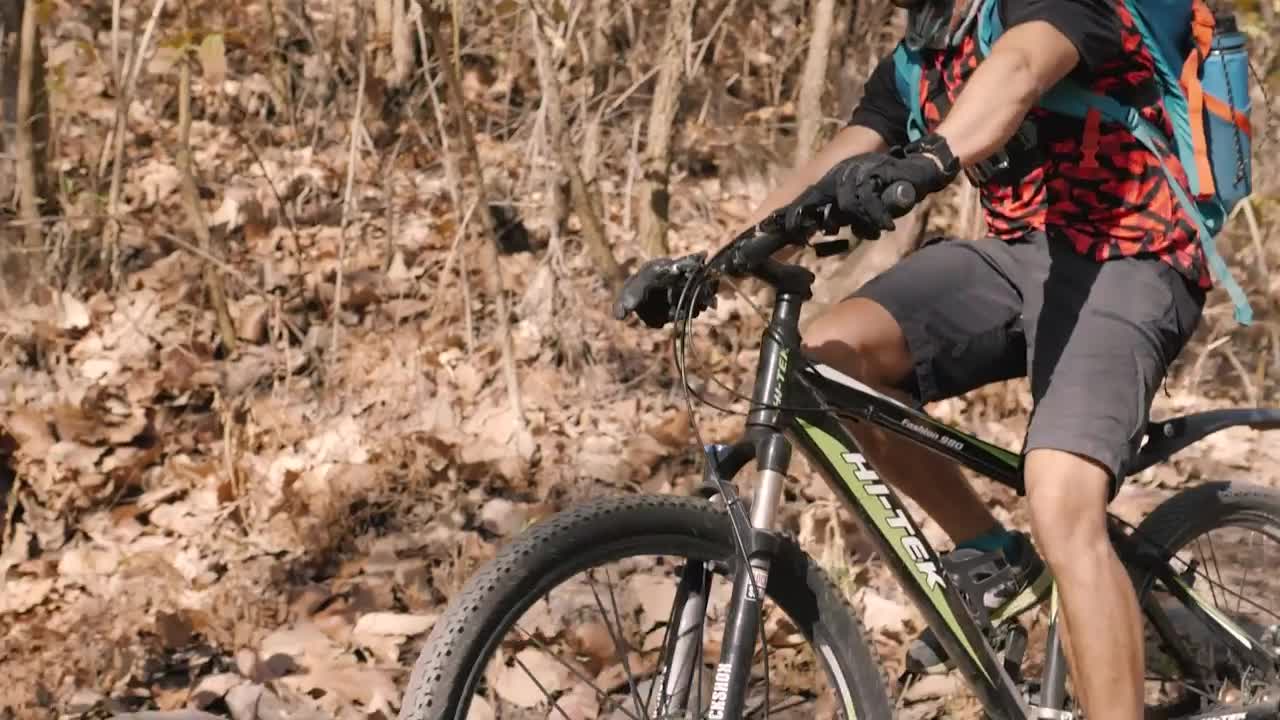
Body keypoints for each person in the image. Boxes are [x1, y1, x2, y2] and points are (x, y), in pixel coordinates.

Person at [617, 0, 1212, 717]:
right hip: (1021, 256)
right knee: (829, 361)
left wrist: (931, 156)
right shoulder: (921, 55)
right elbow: (835, 159)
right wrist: (707, 266)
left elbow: (1021, 67)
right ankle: (991, 554)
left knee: (1060, 499)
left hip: (1132, 258)